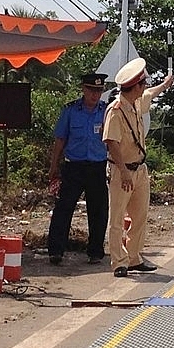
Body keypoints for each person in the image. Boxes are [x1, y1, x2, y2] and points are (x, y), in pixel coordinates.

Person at [103, 58, 174, 277]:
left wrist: (165, 84)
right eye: (142, 84)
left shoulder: (135, 102)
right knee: (116, 218)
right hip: (121, 170)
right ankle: (119, 262)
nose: (144, 88)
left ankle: (134, 257)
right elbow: (111, 142)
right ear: (134, 86)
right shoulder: (115, 111)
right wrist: (124, 172)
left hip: (140, 170)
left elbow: (150, 94)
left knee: (140, 215)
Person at [47, 73, 109, 266]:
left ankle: (95, 252)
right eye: (91, 90)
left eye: (99, 91)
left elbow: (114, 141)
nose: (95, 95)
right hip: (74, 166)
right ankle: (56, 250)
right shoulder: (71, 111)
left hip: (97, 167)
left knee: (98, 211)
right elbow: (60, 139)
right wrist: (53, 166)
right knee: (63, 209)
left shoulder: (106, 112)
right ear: (83, 89)